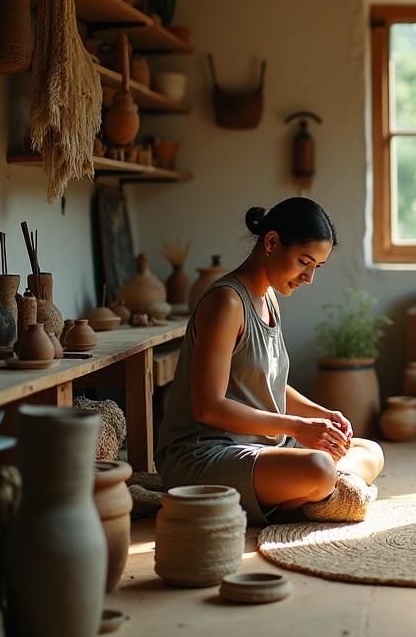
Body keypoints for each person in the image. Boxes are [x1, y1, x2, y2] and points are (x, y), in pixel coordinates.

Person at [156, 197, 384, 525]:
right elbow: (208, 407)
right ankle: (316, 495)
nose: (309, 277)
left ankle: (311, 495)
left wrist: (321, 415)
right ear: (272, 242)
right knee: (319, 468)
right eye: (304, 262)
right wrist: (299, 427)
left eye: (316, 267)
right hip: (206, 454)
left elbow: (266, 383)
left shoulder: (270, 296)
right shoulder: (226, 303)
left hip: (261, 446)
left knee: (369, 451)